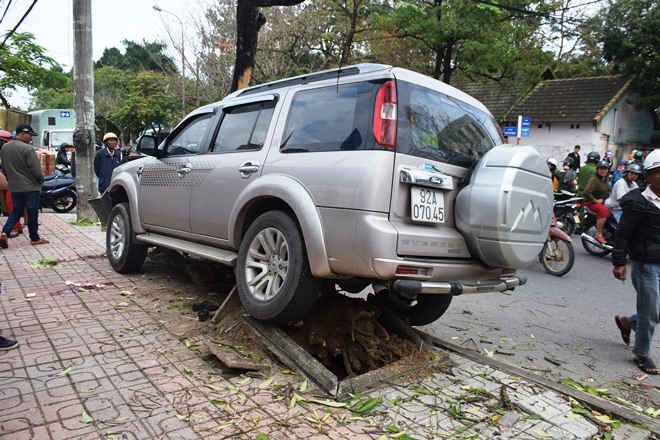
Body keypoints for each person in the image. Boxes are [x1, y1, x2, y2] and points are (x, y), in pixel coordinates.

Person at [612, 149, 660, 375]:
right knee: (651, 310)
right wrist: (619, 262)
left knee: (655, 310)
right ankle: (642, 353)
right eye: (658, 172)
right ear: (648, 176)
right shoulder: (637, 203)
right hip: (645, 264)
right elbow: (622, 234)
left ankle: (628, 322)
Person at [0, 124, 49, 249]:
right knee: (32, 212)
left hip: (15, 186)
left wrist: (11, 180)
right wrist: (41, 180)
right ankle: (35, 238)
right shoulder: (27, 148)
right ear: (22, 133)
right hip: (31, 187)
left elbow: (4, 168)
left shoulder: (5, 148)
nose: (31, 138)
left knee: (16, 211)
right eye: (30, 135)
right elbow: (36, 169)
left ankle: (5, 232)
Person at [0, 130, 24, 238]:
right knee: (8, 204)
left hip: (11, 181)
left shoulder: (9, 151)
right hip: (5, 181)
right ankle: (17, 225)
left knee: (12, 206)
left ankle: (14, 227)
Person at [583, 159, 611, 244]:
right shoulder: (594, 179)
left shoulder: (605, 178)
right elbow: (586, 192)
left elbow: (607, 191)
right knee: (603, 210)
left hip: (602, 201)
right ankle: (598, 234)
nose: (603, 171)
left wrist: (603, 199)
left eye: (605, 169)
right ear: (597, 169)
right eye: (601, 168)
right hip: (590, 202)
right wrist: (595, 200)